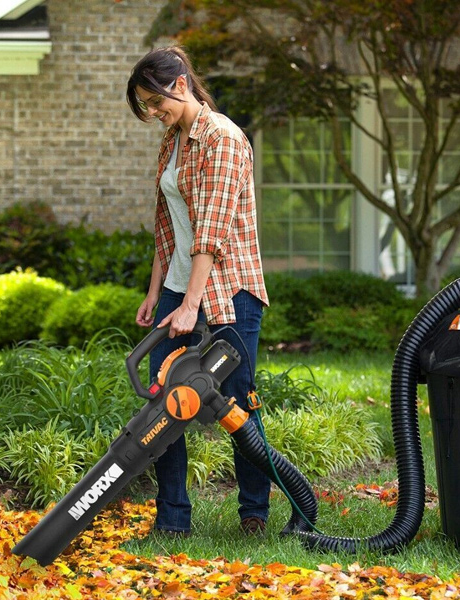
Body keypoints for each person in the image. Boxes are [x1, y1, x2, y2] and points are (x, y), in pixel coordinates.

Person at [126, 46, 271, 536]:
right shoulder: (172, 139)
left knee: (236, 399)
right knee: (163, 403)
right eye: (146, 105)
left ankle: (254, 513)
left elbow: (210, 229)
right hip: (177, 288)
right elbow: (168, 225)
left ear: (181, 83)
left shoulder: (224, 138)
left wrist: (193, 304)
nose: (153, 111)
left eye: (155, 100)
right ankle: (173, 519)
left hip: (228, 289)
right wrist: (156, 292)